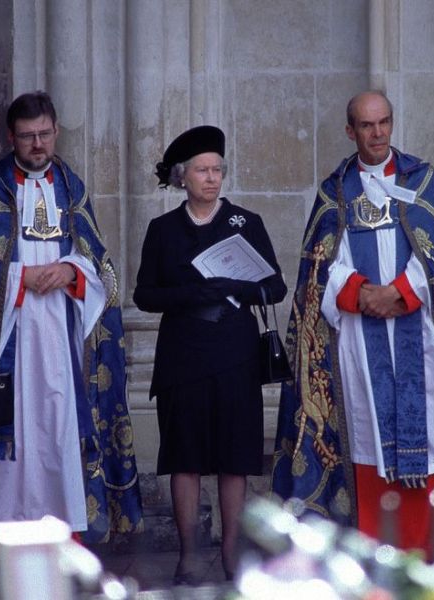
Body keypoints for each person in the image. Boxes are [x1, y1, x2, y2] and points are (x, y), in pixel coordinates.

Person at [271, 90, 434, 557]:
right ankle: (379, 555)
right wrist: (362, 294)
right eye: (366, 125)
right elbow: (320, 269)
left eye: (384, 122)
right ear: (351, 131)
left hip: (420, 336)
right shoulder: (334, 192)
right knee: (367, 438)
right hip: (358, 345)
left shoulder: (423, 181)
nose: (378, 132)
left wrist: (401, 294)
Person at [0, 91, 142, 565]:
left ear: (55, 132)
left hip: (62, 343)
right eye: (28, 136)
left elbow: (101, 265)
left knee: (57, 438)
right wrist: (19, 278)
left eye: (45, 134)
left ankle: (61, 548)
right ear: (11, 137)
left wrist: (73, 273)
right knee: (9, 450)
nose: (38, 144)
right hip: (9, 342)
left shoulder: (72, 190)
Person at [134, 125, 286, 583]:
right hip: (184, 355)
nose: (212, 178)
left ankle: (232, 553)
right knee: (185, 457)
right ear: (182, 177)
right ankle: (188, 555)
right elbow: (144, 294)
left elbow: (275, 286)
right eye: (202, 170)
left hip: (236, 354)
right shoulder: (163, 229)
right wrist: (191, 293)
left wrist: (237, 286)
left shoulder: (245, 223)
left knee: (234, 459)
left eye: (217, 169)